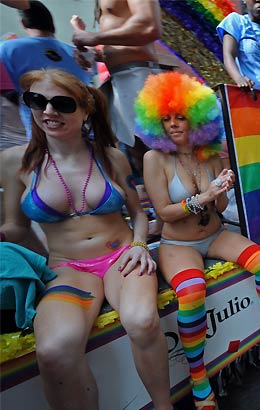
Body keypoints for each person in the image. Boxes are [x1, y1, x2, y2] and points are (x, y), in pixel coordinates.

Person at [0, 69, 172, 409]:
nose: (48, 112)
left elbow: (139, 214)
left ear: (85, 110)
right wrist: (45, 262)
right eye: (37, 101)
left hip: (121, 255)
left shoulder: (110, 156)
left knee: (142, 321)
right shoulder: (14, 162)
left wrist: (139, 245)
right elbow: (14, 227)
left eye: (62, 104)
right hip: (67, 269)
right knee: (53, 351)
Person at [138, 72, 260, 410]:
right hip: (177, 246)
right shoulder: (154, 159)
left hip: (215, 233)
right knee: (192, 293)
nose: (173, 125)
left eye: (180, 116)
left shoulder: (210, 154)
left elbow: (221, 207)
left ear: (196, 119)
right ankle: (199, 378)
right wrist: (205, 195)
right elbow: (164, 213)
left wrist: (222, 187)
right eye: (165, 119)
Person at [71, 0, 168, 175]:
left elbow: (150, 26)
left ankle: (182, 201)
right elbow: (126, 46)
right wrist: (95, 54)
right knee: (139, 157)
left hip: (138, 76)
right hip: (121, 77)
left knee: (159, 154)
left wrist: (94, 37)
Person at [0, 0, 92, 138]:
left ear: (23, 23)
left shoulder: (7, 49)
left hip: (38, 135)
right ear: (52, 24)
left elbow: (7, 93)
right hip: (83, 132)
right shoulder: (77, 54)